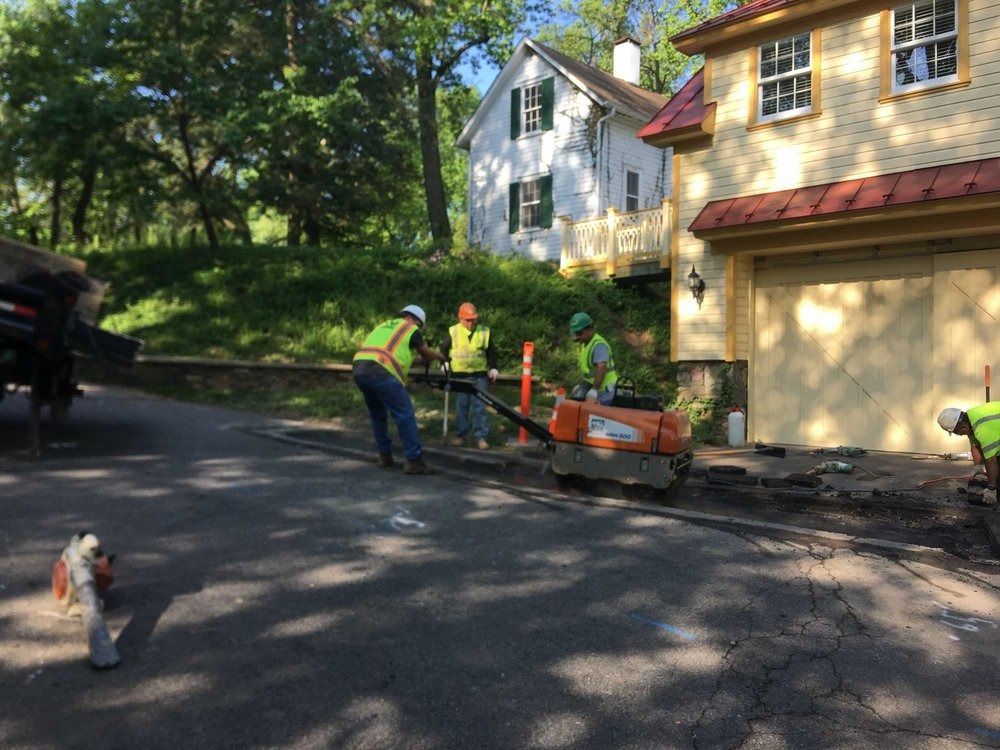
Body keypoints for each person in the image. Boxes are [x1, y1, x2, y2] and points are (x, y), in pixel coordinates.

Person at [353, 304, 448, 475]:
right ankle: (414, 460)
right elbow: (426, 353)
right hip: (381, 371)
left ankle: (384, 455)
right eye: (419, 325)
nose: (418, 328)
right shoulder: (409, 328)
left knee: (377, 414)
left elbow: (395, 354)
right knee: (404, 414)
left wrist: (421, 360)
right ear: (415, 320)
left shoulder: (385, 326)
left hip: (360, 369)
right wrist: (438, 356)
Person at [441, 302, 499, 450]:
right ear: (460, 318)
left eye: (473, 319)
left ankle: (480, 437)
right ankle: (461, 435)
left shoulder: (484, 332)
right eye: (467, 320)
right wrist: (444, 363)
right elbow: (444, 349)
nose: (471, 322)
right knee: (462, 405)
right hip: (460, 375)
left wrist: (493, 368)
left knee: (480, 406)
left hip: (479, 375)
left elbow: (491, 351)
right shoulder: (453, 331)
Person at [937, 403, 1000, 506]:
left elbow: (991, 460)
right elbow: (974, 444)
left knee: (994, 460)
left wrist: (991, 489)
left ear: (962, 426)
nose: (960, 435)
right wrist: (977, 465)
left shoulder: (983, 429)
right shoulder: (971, 418)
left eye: (957, 433)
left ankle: (994, 490)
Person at [568, 312, 618, 406]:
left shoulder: (598, 345)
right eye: (576, 333)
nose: (578, 337)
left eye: (580, 333)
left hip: (605, 392)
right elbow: (590, 373)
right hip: (597, 389)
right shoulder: (586, 344)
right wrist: (581, 386)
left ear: (589, 329)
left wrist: (594, 390)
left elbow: (601, 367)